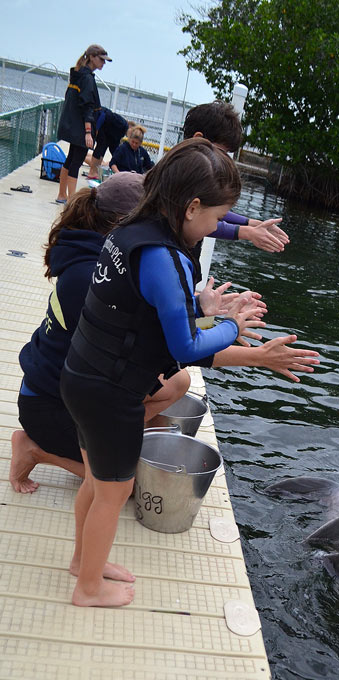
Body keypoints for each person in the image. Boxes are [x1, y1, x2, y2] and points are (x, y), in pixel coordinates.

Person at [57, 137, 285, 607]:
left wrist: (230, 250)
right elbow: (185, 345)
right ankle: (88, 588)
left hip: (80, 373)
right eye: (217, 219)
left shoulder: (133, 225)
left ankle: (85, 562)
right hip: (111, 393)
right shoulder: (166, 259)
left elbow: (151, 308)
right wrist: (230, 324)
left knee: (97, 483)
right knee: (114, 492)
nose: (217, 228)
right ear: (191, 207)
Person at [10, 173, 191, 494]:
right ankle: (34, 449)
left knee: (179, 381)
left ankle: (112, 436)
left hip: (70, 387)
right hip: (50, 405)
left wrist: (201, 314)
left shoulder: (103, 257)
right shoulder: (92, 276)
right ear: (124, 225)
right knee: (131, 484)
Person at [183, 101, 290, 255]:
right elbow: (201, 220)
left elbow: (208, 212)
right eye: (221, 152)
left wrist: (251, 223)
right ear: (198, 139)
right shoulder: (178, 179)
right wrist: (246, 232)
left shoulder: (192, 175)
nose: (224, 160)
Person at [56, 44, 111, 203]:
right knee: (76, 162)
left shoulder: (77, 73)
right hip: (81, 127)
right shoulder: (87, 78)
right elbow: (87, 106)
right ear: (92, 57)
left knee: (70, 159)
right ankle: (72, 201)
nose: (103, 63)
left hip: (72, 124)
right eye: (101, 60)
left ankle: (62, 195)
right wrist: (88, 131)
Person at [86, 109, 132, 180]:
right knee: (101, 147)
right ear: (130, 127)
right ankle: (92, 172)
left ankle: (93, 171)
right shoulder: (123, 124)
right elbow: (103, 114)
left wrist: (119, 158)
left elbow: (113, 146)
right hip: (100, 124)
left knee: (102, 148)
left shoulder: (119, 131)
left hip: (105, 130)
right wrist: (97, 129)